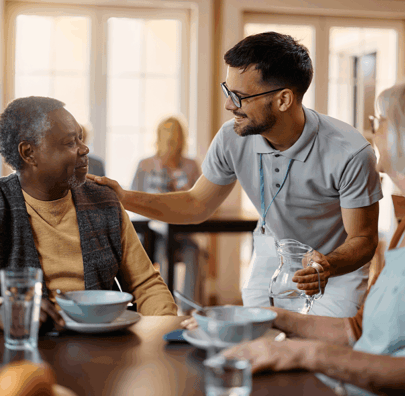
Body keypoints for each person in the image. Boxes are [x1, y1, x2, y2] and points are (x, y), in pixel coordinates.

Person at [90, 31, 382, 318]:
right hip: (272, 251)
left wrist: (327, 265)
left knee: (320, 355)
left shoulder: (350, 152)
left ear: (283, 100)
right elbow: (196, 205)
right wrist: (124, 198)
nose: (229, 105)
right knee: (260, 346)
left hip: (334, 267)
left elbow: (363, 238)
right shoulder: (232, 137)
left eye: (240, 96)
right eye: (227, 91)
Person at [221, 72, 405, 396]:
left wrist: (303, 353)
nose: (372, 130)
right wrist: (268, 317)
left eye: (380, 120)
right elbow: (355, 330)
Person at [0, 96, 177, 332]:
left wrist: (164, 329)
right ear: (29, 153)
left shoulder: (104, 200)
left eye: (80, 138)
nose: (85, 149)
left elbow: (146, 285)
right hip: (25, 347)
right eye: (69, 142)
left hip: (102, 342)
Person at [131, 115, 201, 307]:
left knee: (193, 252)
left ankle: (188, 308)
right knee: (162, 251)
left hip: (182, 231)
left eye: (175, 136)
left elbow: (200, 199)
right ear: (159, 137)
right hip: (152, 233)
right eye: (167, 136)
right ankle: (162, 306)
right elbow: (132, 197)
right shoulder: (145, 165)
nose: (171, 142)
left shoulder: (191, 165)